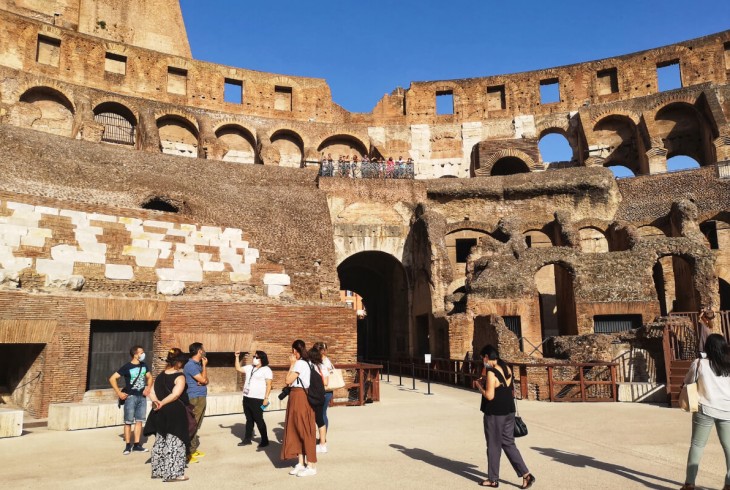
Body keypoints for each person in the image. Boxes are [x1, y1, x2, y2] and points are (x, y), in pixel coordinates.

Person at [473, 344, 535, 489]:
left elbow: (489, 395)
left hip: (495, 413)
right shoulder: (506, 366)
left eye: (483, 358)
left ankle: (493, 479)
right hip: (509, 411)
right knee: (508, 443)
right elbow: (502, 385)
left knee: (493, 445)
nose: (483, 361)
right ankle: (526, 475)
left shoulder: (491, 372)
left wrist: (478, 386)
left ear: (487, 357)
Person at [680, 333, 730, 490]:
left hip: (704, 408)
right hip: (727, 409)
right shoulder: (729, 365)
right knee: (729, 447)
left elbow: (688, 381)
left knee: (697, 445)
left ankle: (689, 484)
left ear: (708, 347)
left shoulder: (700, 363)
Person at [145, 348, 190, 482]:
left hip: (159, 412)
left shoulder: (160, 375)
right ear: (179, 362)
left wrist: (156, 403)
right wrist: (162, 403)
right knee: (175, 441)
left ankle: (158, 470)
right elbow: (176, 394)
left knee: (160, 440)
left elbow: (151, 392)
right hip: (174, 412)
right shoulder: (179, 376)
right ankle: (174, 473)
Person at [281, 339, 317, 477]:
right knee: (296, 429)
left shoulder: (300, 363)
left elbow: (288, 380)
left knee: (304, 429)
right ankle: (301, 463)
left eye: (293, 351)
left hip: (301, 396)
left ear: (295, 351)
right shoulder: (306, 362)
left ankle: (312, 465)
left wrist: (291, 364)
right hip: (296, 396)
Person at [109, 345, 152, 455]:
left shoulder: (144, 366)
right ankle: (128, 446)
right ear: (135, 354)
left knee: (139, 421)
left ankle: (137, 444)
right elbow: (112, 378)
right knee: (128, 422)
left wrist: (148, 388)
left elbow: (150, 377)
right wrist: (119, 393)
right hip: (130, 397)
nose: (143, 354)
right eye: (141, 352)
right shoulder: (127, 367)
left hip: (142, 398)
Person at [234, 350, 273, 448]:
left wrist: (266, 398)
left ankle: (265, 440)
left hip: (258, 398)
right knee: (249, 419)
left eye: (256, 357)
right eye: (254, 357)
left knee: (259, 419)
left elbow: (269, 385)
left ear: (262, 359)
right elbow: (238, 368)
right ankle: (247, 439)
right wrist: (237, 357)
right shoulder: (250, 367)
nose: (254, 359)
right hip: (247, 397)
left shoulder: (266, 370)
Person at [184, 342, 208, 463]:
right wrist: (204, 366)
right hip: (195, 397)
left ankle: (192, 450)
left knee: (197, 424)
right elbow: (203, 379)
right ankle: (187, 453)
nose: (204, 351)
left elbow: (205, 380)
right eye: (203, 349)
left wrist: (203, 380)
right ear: (199, 351)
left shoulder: (197, 364)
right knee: (192, 424)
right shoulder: (191, 365)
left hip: (201, 396)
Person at [314, 342, 335, 453]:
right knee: (322, 414)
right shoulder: (327, 361)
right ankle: (323, 438)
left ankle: (323, 439)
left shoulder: (324, 362)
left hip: (324, 391)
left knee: (321, 415)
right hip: (327, 391)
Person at [308, 346, 329, 454]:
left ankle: (311, 442)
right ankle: (323, 444)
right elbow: (326, 383)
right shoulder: (322, 366)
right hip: (321, 395)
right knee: (320, 419)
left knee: (311, 419)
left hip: (311, 395)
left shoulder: (310, 366)